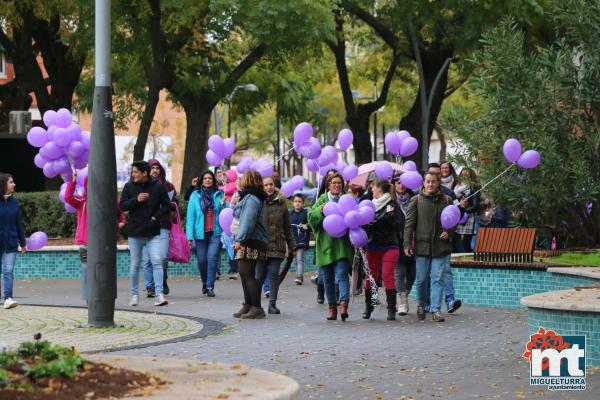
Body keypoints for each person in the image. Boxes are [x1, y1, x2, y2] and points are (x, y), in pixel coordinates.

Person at [64, 170, 126, 303]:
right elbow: (68, 197)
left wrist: (120, 224)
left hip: (105, 243)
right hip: (86, 244)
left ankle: (103, 298)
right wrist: (73, 181)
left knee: (104, 271)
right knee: (87, 273)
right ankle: (89, 299)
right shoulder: (82, 201)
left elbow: (121, 215)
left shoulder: (111, 200)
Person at [403, 172, 454, 322]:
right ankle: (421, 304)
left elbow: (454, 220)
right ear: (423, 183)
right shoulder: (416, 200)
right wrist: (407, 243)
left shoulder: (447, 200)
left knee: (437, 278)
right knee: (421, 278)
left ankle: (436, 310)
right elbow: (409, 225)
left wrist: (449, 232)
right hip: (422, 246)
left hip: (441, 246)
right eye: (428, 182)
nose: (430, 184)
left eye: (433, 182)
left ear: (439, 183)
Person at [120, 161, 171, 307]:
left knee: (157, 260)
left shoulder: (158, 186)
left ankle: (159, 295)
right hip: (135, 232)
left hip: (153, 232)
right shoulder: (129, 186)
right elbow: (122, 206)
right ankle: (135, 295)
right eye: (132, 172)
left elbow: (167, 205)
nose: (133, 174)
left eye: (135, 172)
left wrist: (156, 216)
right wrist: (136, 200)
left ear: (144, 173)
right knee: (135, 264)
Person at [308, 172, 354, 321]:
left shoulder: (346, 199)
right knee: (327, 279)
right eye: (334, 182)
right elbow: (311, 219)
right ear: (328, 185)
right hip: (325, 246)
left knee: (341, 274)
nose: (336, 185)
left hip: (342, 245)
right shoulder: (322, 200)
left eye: (339, 183)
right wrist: (321, 211)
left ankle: (343, 305)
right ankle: (332, 308)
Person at [364, 179, 403, 320]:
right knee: (370, 278)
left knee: (387, 275)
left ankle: (391, 309)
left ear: (379, 189)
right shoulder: (369, 205)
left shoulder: (392, 204)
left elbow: (399, 224)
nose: (371, 190)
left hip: (389, 245)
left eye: (373, 187)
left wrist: (386, 217)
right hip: (373, 245)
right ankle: (369, 307)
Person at [255, 176, 296, 314]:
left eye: (271, 184)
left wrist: (292, 246)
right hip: (261, 245)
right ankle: (255, 304)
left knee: (273, 275)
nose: (268, 187)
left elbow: (287, 227)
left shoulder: (282, 203)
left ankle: (272, 304)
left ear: (275, 186)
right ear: (262, 187)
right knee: (259, 276)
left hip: (277, 245)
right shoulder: (258, 202)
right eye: (266, 185)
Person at [232, 169, 268, 319]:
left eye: (242, 178)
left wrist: (240, 239)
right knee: (244, 273)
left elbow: (247, 221)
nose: (239, 180)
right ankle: (248, 304)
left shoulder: (252, 199)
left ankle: (256, 307)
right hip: (251, 240)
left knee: (247, 273)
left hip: (251, 240)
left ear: (248, 180)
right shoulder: (249, 197)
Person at [186, 170, 227, 297]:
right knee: (202, 260)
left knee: (212, 258)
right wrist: (189, 236)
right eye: (205, 178)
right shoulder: (195, 195)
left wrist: (223, 204)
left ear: (213, 180)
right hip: (200, 234)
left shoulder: (219, 194)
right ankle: (205, 282)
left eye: (210, 178)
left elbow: (225, 214)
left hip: (215, 232)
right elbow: (190, 217)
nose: (208, 180)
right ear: (202, 181)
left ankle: (210, 286)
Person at [143, 159, 177, 297]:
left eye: (157, 168)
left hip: (163, 225)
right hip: (145, 226)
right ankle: (150, 287)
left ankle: (162, 279)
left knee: (162, 257)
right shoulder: (141, 186)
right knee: (147, 260)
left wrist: (169, 204)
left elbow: (175, 204)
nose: (155, 170)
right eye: (152, 168)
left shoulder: (168, 186)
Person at [0, 173, 27, 309]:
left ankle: (8, 299)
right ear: (4, 184)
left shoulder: (15, 202)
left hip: (11, 243)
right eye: (11, 182)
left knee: (8, 271)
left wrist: (23, 243)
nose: (14, 184)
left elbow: (19, 224)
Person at [392, 174, 415, 316]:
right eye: (398, 183)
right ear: (394, 184)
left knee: (413, 273)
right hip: (397, 241)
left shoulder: (414, 198)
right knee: (400, 272)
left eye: (403, 183)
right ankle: (401, 301)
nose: (401, 185)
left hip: (413, 240)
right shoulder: (391, 201)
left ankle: (404, 294)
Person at [453, 167, 481, 253]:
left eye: (467, 174)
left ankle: (467, 262)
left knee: (465, 242)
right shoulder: (457, 186)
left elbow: (475, 205)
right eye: (463, 174)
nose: (464, 176)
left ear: (471, 176)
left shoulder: (474, 187)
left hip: (467, 216)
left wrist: (463, 210)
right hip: (456, 215)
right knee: (453, 240)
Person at [290, 194, 310, 285]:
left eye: (299, 202)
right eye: (295, 201)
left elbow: (312, 225)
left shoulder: (305, 213)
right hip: (292, 240)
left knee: (299, 258)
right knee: (296, 259)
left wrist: (307, 226)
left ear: (303, 203)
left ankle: (299, 275)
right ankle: (300, 276)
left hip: (302, 239)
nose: (297, 203)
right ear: (293, 203)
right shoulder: (290, 214)